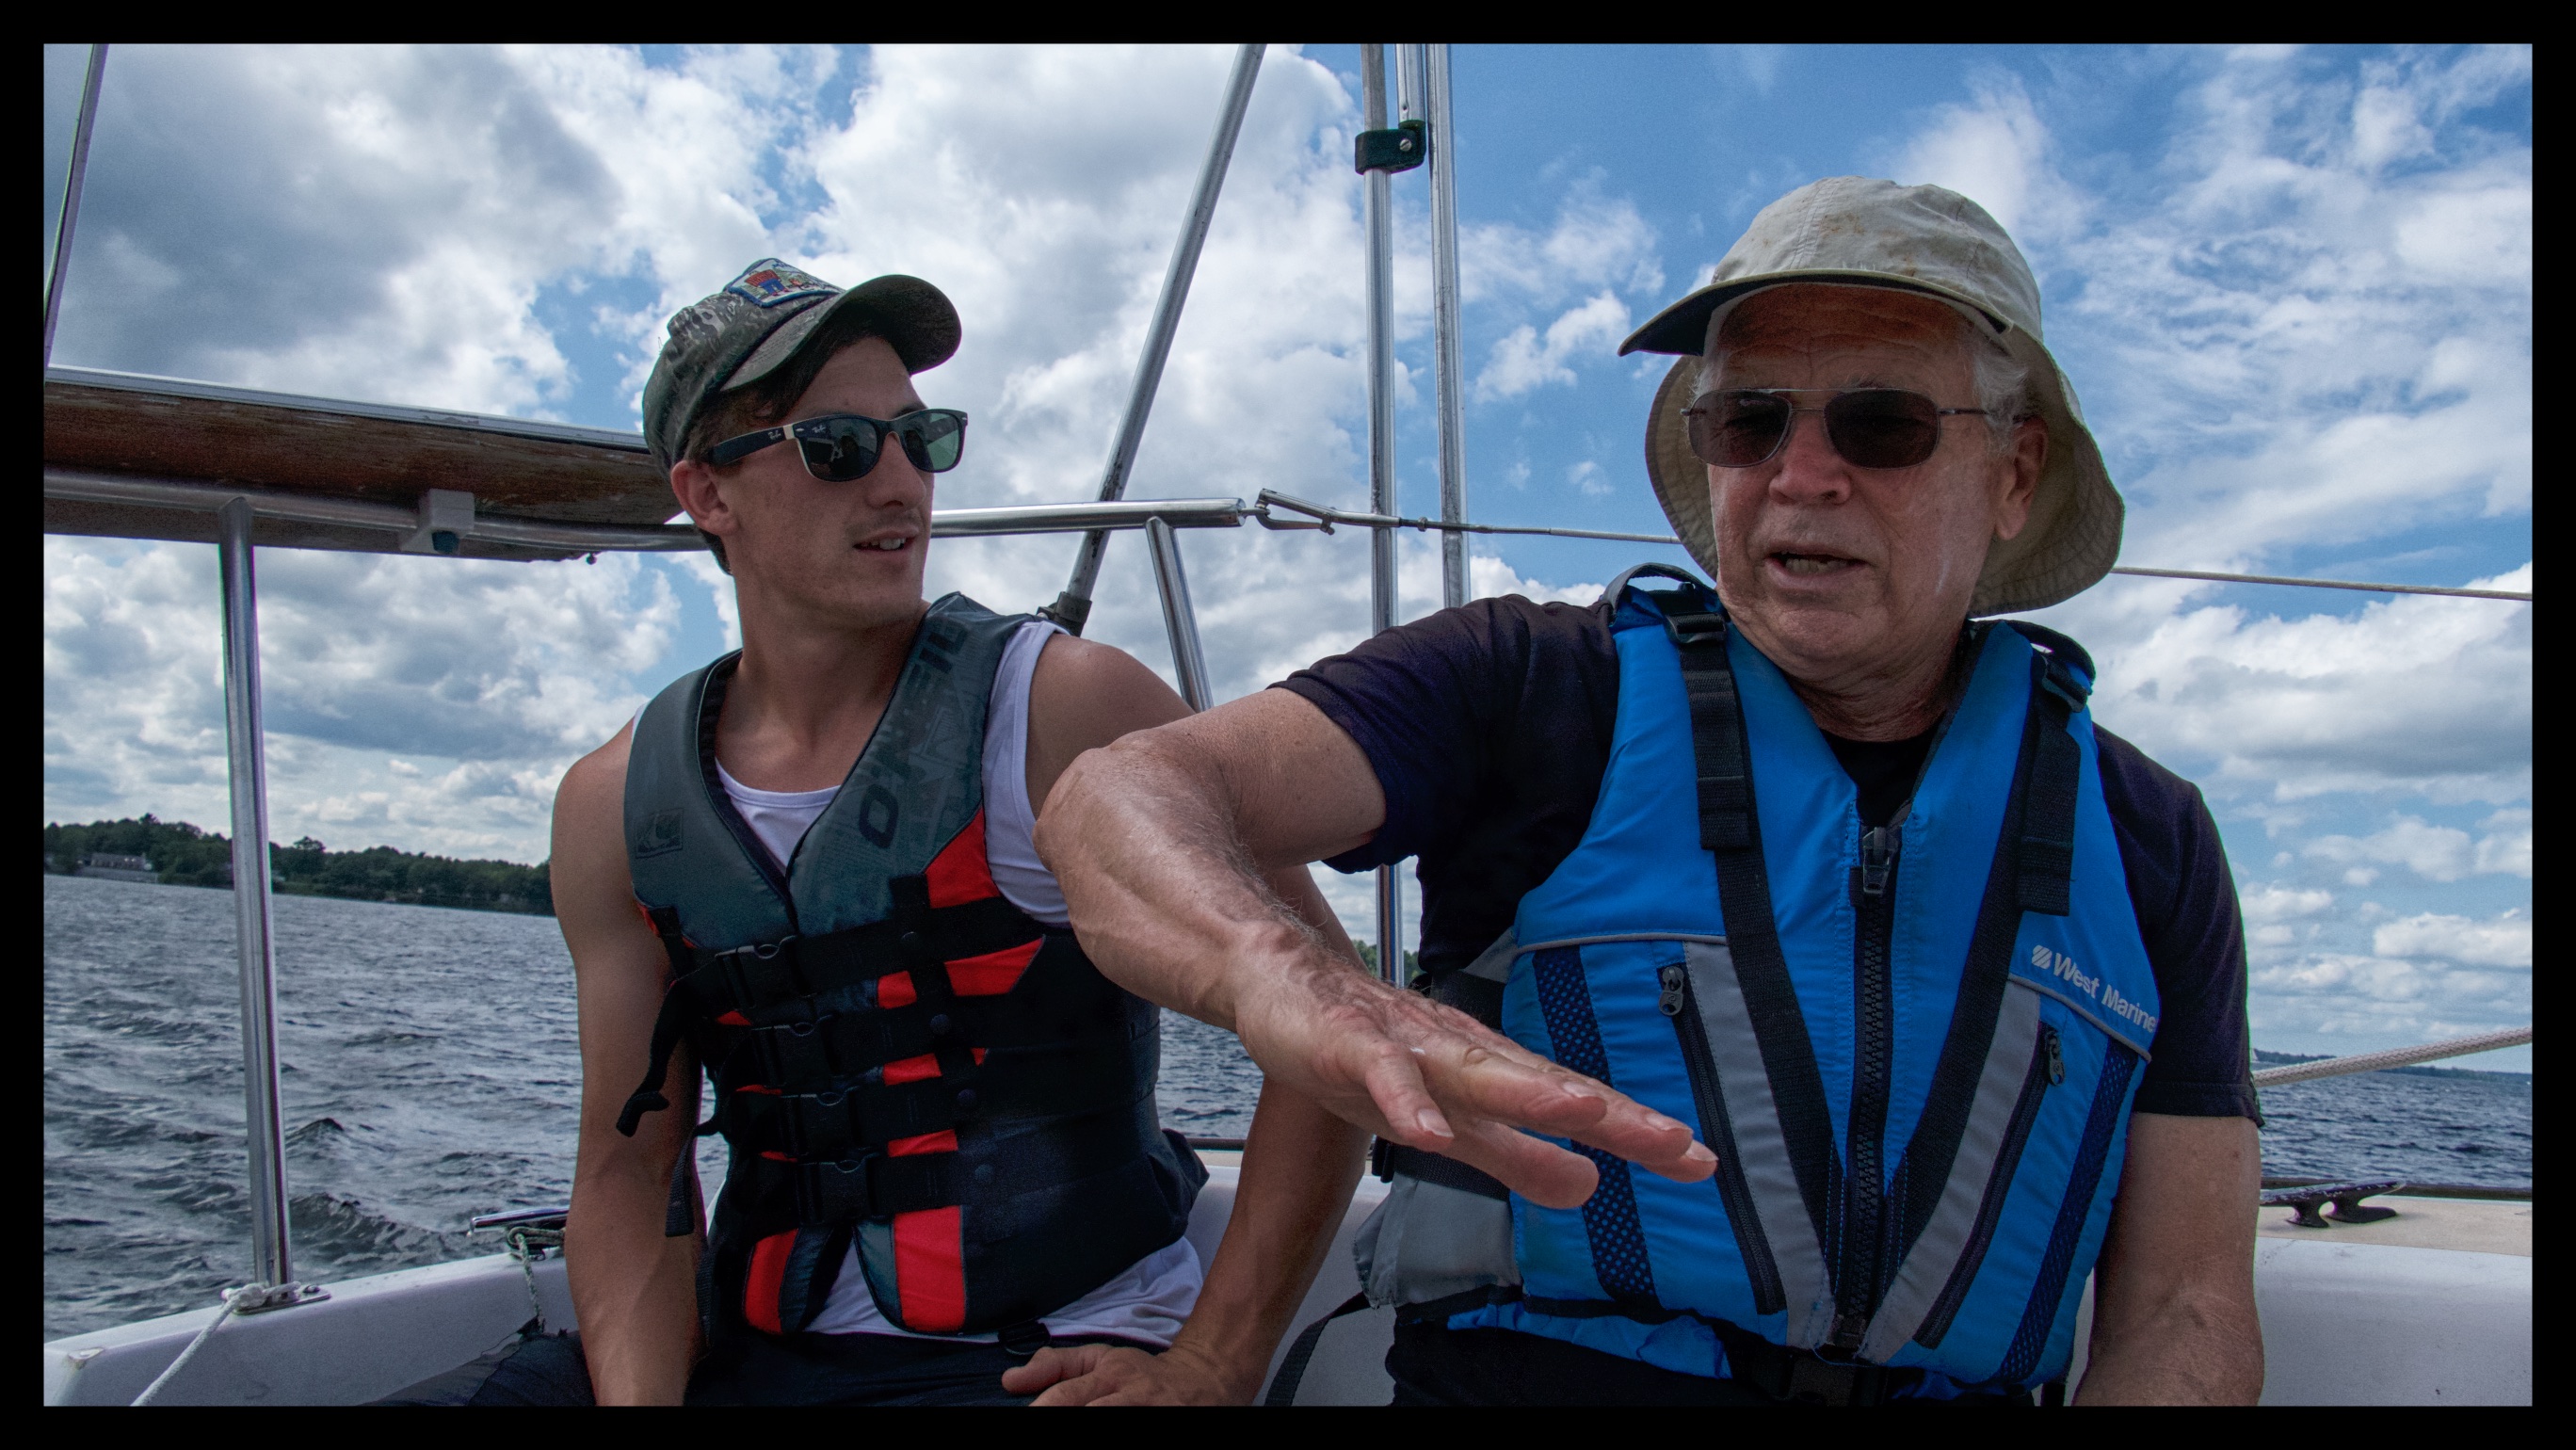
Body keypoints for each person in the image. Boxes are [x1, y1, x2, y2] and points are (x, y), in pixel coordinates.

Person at [1037, 179, 2266, 1405]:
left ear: (2015, 473)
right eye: (1749, 420)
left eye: (1881, 423)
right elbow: (1123, 796)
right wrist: (1279, 974)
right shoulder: (1530, 689)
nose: (1802, 474)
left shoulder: (2148, 838)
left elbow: (2185, 1309)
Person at [407, 259, 1368, 1406]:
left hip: (1040, 1356)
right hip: (749, 1348)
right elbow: (628, 1170)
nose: (901, 481)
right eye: (839, 446)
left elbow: (1335, 1026)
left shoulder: (1064, 712)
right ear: (708, 494)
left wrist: (1215, 1365)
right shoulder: (614, 806)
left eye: (922, 439)